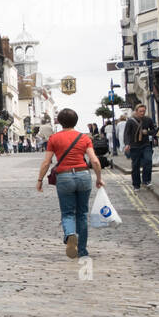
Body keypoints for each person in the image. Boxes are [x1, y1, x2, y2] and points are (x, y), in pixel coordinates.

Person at [36, 108, 103, 262]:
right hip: (83, 175)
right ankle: (83, 250)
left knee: (67, 213)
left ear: (59, 121)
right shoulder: (84, 138)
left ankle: (70, 234)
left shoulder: (54, 138)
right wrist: (99, 178)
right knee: (82, 214)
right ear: (76, 121)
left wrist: (40, 180)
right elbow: (94, 161)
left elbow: (47, 162)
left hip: (64, 177)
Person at [123, 103, 157, 190]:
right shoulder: (130, 121)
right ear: (136, 111)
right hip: (134, 146)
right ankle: (136, 185)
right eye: (140, 111)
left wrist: (147, 132)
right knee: (135, 165)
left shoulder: (148, 120)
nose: (142, 113)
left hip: (145, 144)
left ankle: (146, 180)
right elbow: (126, 134)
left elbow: (154, 131)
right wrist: (127, 144)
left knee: (148, 161)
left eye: (144, 111)